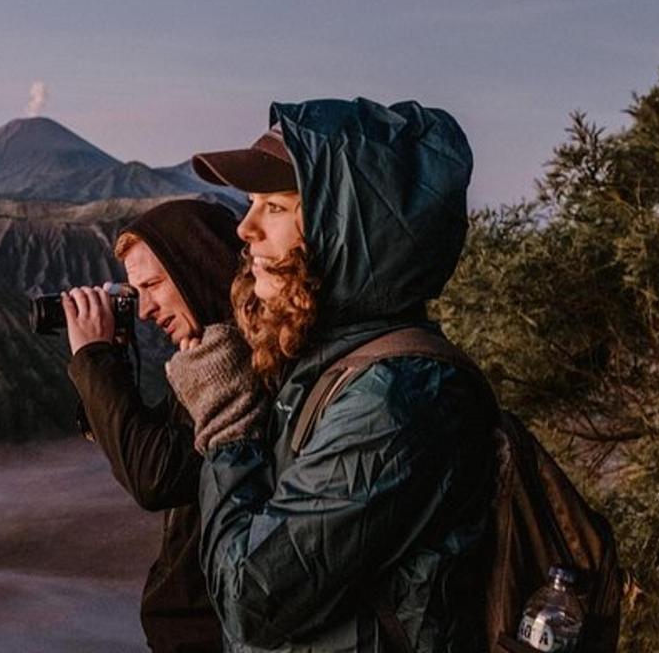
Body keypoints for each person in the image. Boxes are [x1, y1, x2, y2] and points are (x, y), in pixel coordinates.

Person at [167, 99, 498, 652]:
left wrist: (228, 429)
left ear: (349, 227)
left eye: (274, 207)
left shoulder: (393, 399)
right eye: (249, 204)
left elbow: (254, 601)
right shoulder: (328, 364)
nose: (245, 229)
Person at [63, 198, 259, 653]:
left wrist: (94, 359)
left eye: (153, 284)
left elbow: (154, 475)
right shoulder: (206, 359)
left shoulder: (242, 370)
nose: (146, 309)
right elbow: (157, 439)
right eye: (138, 292)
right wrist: (108, 360)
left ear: (198, 268)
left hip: (212, 636)